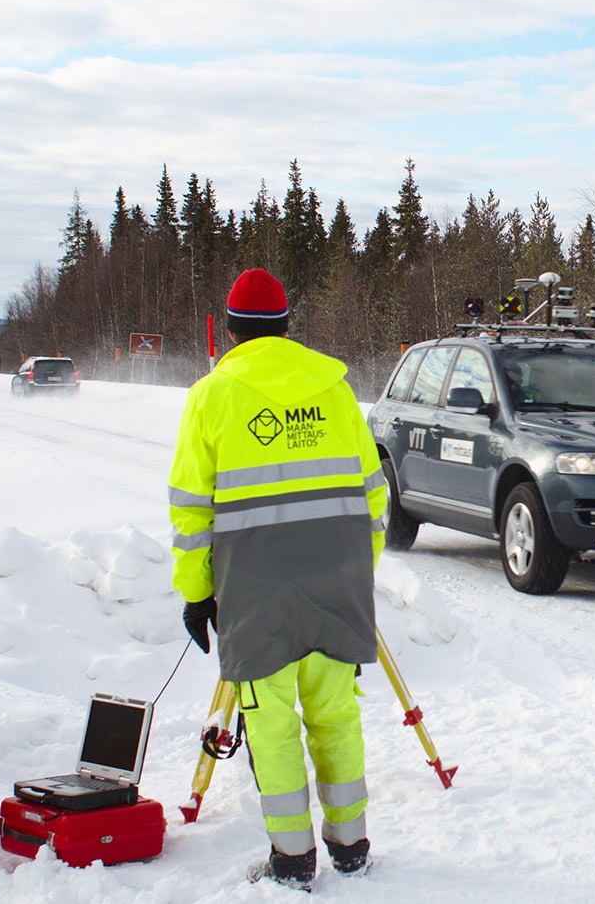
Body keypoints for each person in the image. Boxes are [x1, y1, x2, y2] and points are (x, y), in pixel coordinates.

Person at [168, 268, 386, 892]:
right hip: (337, 584)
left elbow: (191, 511)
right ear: (288, 325)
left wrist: (196, 592)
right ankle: (350, 845)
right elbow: (373, 496)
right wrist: (357, 573)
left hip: (256, 594)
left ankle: (292, 859)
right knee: (336, 714)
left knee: (271, 724)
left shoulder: (212, 395)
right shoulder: (336, 390)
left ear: (232, 330)